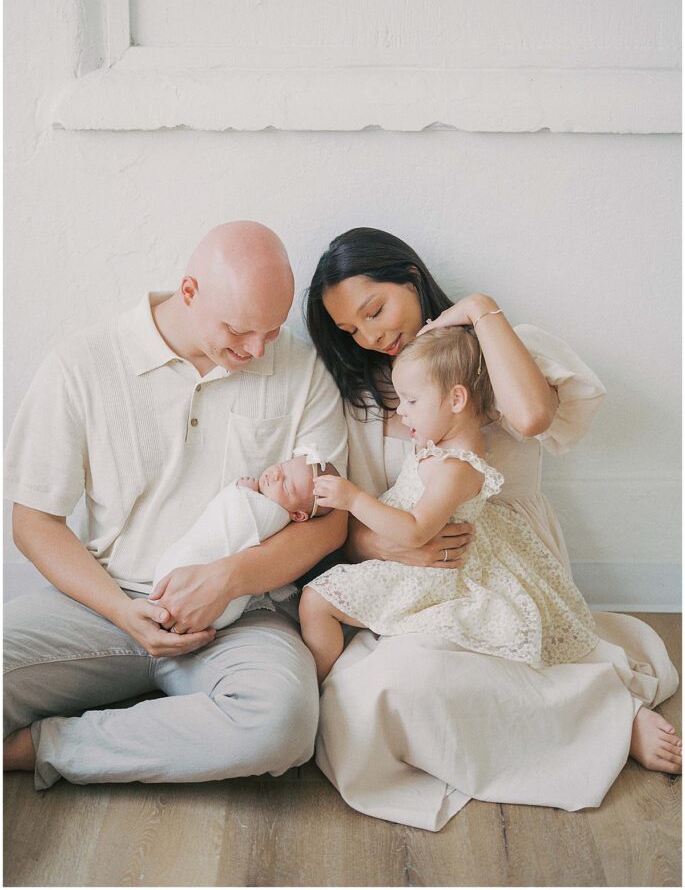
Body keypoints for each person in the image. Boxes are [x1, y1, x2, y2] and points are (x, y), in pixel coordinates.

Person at [305, 226, 680, 831]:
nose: (371, 336)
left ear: (411, 277)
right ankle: (569, 718)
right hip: (419, 571)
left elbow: (532, 418)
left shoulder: (495, 348)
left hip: (512, 567)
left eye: (375, 311)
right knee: (394, 689)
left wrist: (480, 311)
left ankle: (609, 712)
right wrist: (402, 549)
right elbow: (356, 523)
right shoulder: (367, 393)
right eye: (352, 330)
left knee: (478, 667)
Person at [4, 221, 348, 789]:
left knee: (283, 723)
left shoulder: (302, 371)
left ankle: (46, 747)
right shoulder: (82, 364)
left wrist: (227, 579)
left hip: (241, 615)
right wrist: (120, 610)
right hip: (105, 602)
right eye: (239, 329)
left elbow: (329, 524)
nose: (257, 349)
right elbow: (34, 522)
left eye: (272, 330)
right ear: (190, 292)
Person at [300, 327, 597, 682]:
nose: (401, 410)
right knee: (319, 600)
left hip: (430, 572)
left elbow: (414, 531)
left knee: (316, 601)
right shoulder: (441, 446)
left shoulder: (456, 468)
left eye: (411, 401)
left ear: (457, 400)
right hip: (413, 560)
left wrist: (352, 498)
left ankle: (321, 683)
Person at [152, 451, 338, 629]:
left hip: (205, 594)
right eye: (281, 467)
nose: (275, 475)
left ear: (297, 515)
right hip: (217, 609)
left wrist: (242, 493)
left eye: (286, 486)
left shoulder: (276, 516)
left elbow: (239, 520)